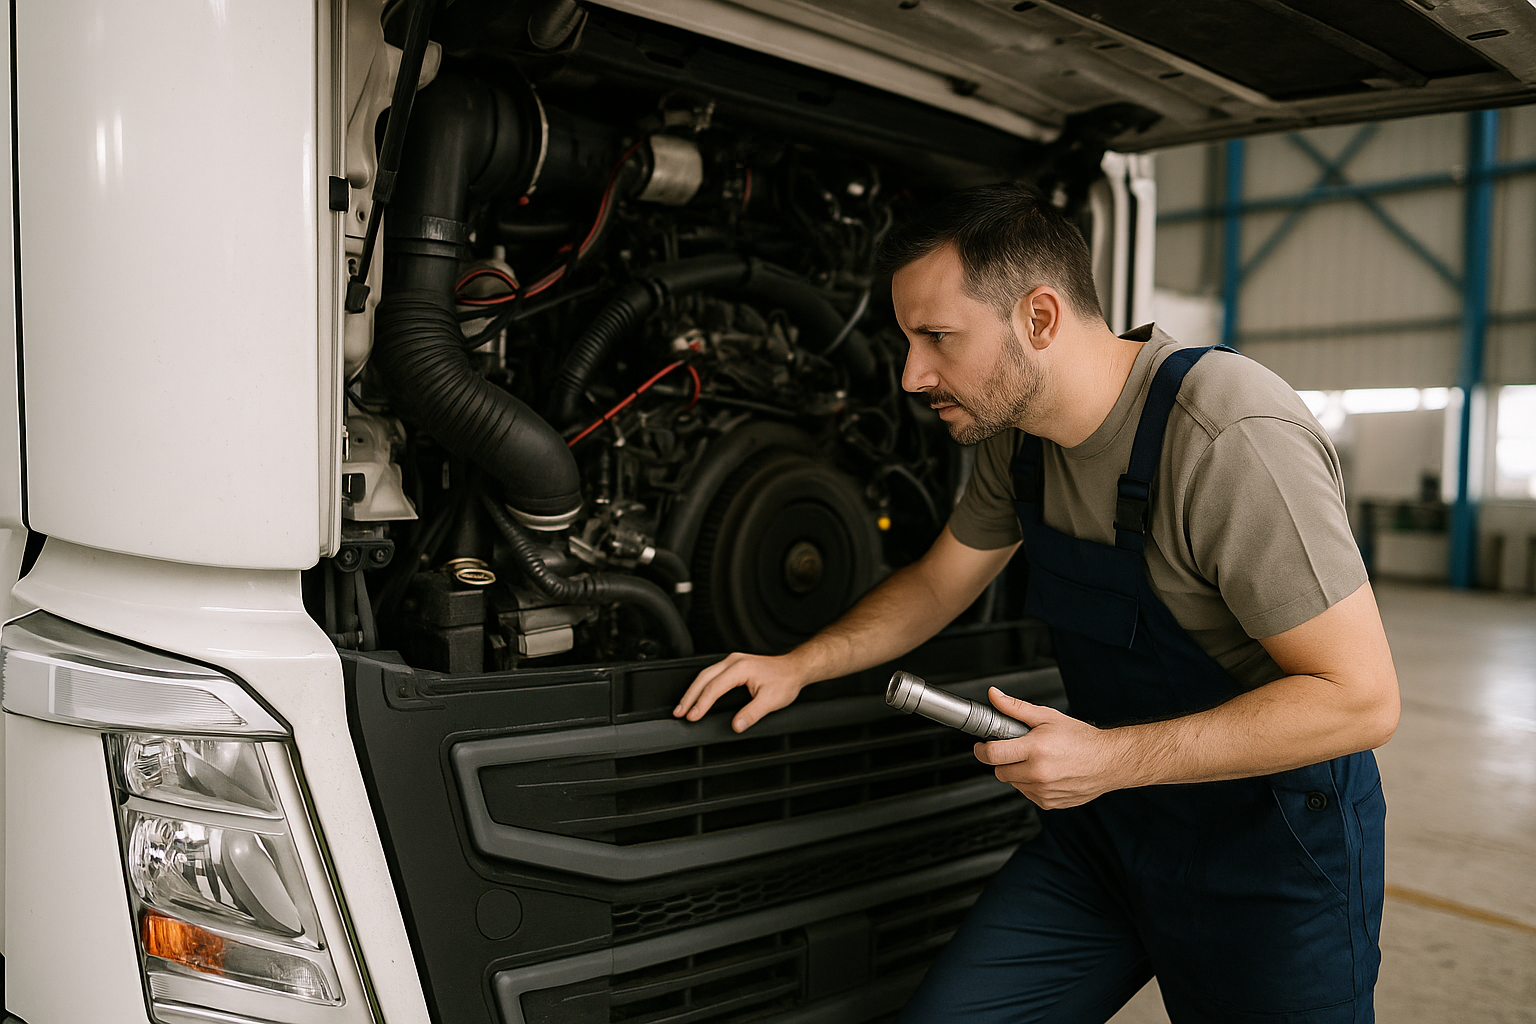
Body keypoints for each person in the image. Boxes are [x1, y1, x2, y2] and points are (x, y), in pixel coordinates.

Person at [672, 182, 1398, 1023]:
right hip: (1113, 833)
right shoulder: (1021, 439)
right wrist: (799, 664)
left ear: (1040, 319)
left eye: (937, 337)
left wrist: (1111, 760)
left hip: (1269, 846)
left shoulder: (1228, 438)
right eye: (907, 340)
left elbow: (1360, 700)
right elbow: (942, 581)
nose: (912, 374)